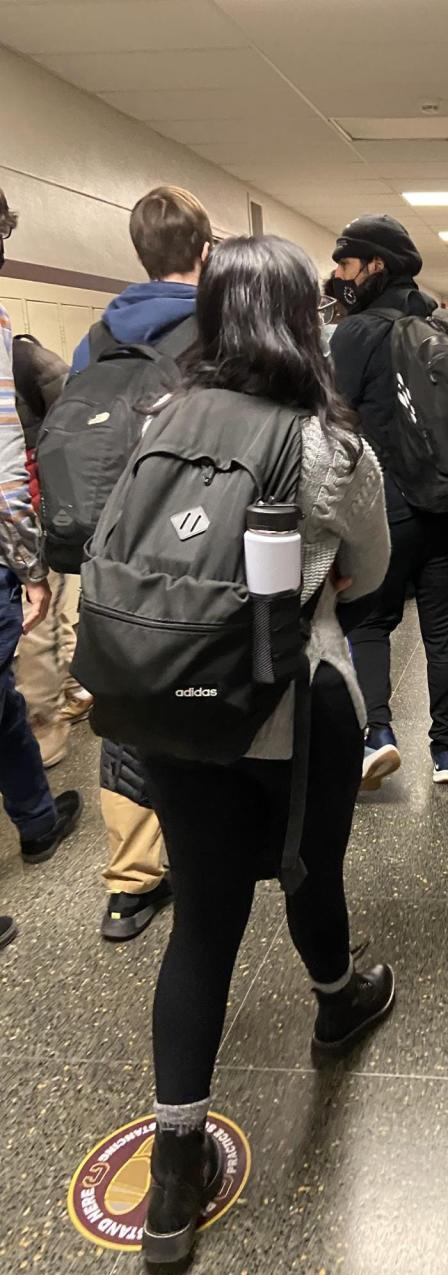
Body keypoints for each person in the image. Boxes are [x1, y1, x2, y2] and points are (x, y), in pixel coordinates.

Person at [139, 235, 394, 1265]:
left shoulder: (161, 418)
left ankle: (171, 1175)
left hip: (173, 704)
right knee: (306, 869)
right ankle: (337, 1004)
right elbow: (370, 571)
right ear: (304, 319)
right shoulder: (333, 445)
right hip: (295, 703)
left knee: (202, 914)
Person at [68, 186, 212, 941]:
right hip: (190, 541)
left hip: (109, 546)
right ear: (206, 249)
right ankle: (205, 855)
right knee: (201, 685)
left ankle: (130, 883)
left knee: (120, 703)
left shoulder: (99, 335)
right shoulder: (216, 330)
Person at [329, 215, 448, 785]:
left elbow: (333, 426)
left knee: (370, 621)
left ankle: (379, 733)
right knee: (446, 632)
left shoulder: (357, 332)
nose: (339, 275)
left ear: (374, 266)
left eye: (345, 263)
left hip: (385, 507)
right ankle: (446, 752)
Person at [0, 187, 83, 951]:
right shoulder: (11, 348)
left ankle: (35, 815)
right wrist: (31, 562)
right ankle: (37, 804)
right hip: (10, 538)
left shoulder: (20, 348)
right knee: (19, 665)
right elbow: (8, 465)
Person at [12, 333, 83, 768]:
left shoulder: (26, 359)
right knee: (49, 611)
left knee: (40, 618)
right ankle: (70, 690)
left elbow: (70, 435)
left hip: (30, 512)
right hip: (26, 510)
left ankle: (45, 729)